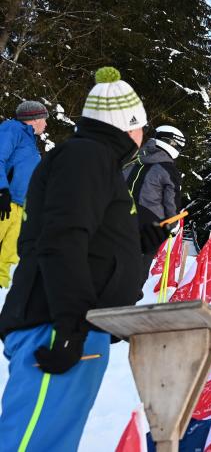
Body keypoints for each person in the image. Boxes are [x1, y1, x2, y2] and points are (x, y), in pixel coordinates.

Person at [0, 67, 169, 451]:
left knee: (51, 441)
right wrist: (70, 327)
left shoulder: (98, 164)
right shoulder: (86, 156)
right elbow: (61, 240)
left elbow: (91, 241)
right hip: (56, 324)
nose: (143, 136)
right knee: (31, 443)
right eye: (142, 126)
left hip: (74, 324)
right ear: (128, 126)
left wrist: (141, 242)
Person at [124, 125, 185, 274]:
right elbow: (171, 200)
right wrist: (173, 224)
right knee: (135, 276)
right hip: (147, 227)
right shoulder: (168, 169)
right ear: (171, 143)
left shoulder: (132, 162)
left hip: (115, 220)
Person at [0, 101, 48, 288]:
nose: (45, 124)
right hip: (5, 200)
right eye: (44, 119)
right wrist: (2, 190)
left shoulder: (30, 141)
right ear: (34, 119)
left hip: (20, 205)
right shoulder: (12, 129)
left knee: (9, 254)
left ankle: (1, 292)